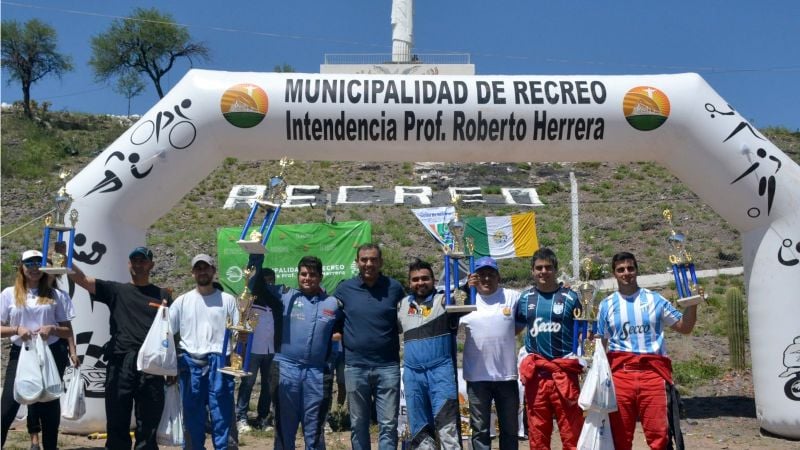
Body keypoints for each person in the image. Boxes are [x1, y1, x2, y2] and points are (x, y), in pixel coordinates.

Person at [67, 245, 172, 450]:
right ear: (128, 264)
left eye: (142, 260)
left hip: (151, 365)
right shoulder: (117, 290)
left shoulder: (163, 295)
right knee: (117, 417)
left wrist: (172, 367)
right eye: (134, 260)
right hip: (120, 361)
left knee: (149, 421)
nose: (138, 264)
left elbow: (172, 332)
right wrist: (65, 258)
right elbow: (82, 280)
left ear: (151, 264)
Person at [597, 252, 697, 450]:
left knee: (660, 437)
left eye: (630, 268)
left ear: (637, 270)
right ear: (614, 274)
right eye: (621, 270)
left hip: (653, 375)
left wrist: (692, 303)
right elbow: (601, 346)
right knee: (620, 438)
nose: (626, 273)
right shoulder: (606, 305)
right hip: (620, 375)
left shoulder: (655, 300)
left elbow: (685, 327)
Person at [247, 252, 343, 450]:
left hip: (316, 373)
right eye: (303, 274)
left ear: (320, 277)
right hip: (286, 369)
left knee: (315, 430)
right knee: (284, 428)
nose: (307, 278)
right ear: (298, 276)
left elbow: (344, 332)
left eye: (312, 274)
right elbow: (255, 288)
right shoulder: (284, 295)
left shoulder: (332, 304)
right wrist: (256, 258)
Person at [1, 250, 76, 450]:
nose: (34, 268)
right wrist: (16, 329)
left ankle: (50, 446)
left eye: (38, 263)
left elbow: (67, 329)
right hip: (22, 353)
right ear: (21, 267)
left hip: (50, 353)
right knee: (8, 407)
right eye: (29, 264)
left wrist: (52, 329)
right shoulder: (9, 293)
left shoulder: (56, 294)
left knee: (49, 406)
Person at [334, 244, 406, 450]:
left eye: (373, 259)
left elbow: (404, 321)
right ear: (357, 262)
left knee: (389, 424)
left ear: (381, 262)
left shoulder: (395, 288)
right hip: (355, 366)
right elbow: (333, 321)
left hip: (388, 367)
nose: (368, 264)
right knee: (358, 423)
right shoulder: (344, 289)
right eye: (364, 259)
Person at [515, 248, 584, 450]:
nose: (543, 271)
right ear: (532, 271)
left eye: (548, 267)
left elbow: (582, 330)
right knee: (537, 434)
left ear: (555, 269)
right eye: (539, 268)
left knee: (571, 431)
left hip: (564, 373)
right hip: (537, 375)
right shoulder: (526, 298)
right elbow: (515, 329)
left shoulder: (571, 297)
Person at [169, 254, 238, 449]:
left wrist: (240, 342)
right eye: (198, 268)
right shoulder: (182, 302)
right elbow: (165, 332)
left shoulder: (228, 300)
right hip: (190, 365)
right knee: (192, 418)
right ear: (192, 273)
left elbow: (240, 332)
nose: (202, 271)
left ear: (213, 271)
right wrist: (168, 364)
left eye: (206, 267)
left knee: (222, 416)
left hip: (220, 364)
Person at [397, 259, 462, 450]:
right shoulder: (401, 305)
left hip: (440, 371)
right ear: (409, 283)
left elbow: (466, 294)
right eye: (415, 279)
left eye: (425, 278)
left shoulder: (445, 300)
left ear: (434, 280)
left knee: (447, 426)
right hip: (412, 374)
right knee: (419, 429)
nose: (420, 283)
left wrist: (469, 284)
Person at [460, 256, 521, 450]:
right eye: (481, 275)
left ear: (498, 277)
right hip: (477, 378)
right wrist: (464, 289)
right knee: (480, 430)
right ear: (473, 277)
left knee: (510, 429)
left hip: (506, 376)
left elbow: (522, 322)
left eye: (491, 274)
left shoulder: (513, 297)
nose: (486, 279)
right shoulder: (466, 299)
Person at [236, 267, 277, 433]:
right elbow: (240, 323)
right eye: (265, 281)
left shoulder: (276, 303)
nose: (269, 284)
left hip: (271, 351)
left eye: (271, 281)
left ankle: (263, 417)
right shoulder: (251, 302)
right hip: (253, 350)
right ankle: (241, 417)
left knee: (268, 386)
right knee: (247, 384)